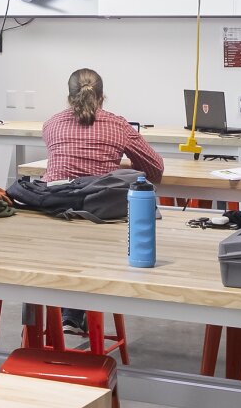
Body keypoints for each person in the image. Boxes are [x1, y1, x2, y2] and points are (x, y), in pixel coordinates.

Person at [37, 67, 163, 345]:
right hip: (98, 219)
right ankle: (74, 312)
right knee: (89, 236)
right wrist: (120, 166)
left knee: (71, 238)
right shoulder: (118, 125)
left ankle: (65, 314)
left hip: (52, 217)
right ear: (103, 96)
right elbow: (155, 169)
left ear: (68, 97)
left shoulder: (51, 124)